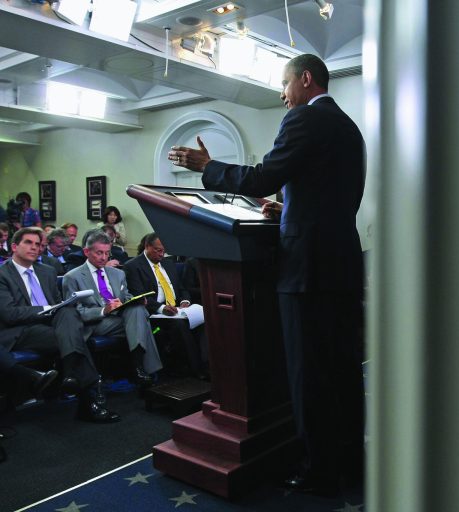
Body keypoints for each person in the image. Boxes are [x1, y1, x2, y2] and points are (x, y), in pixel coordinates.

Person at [169, 54, 365, 496]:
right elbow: (327, 196)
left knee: (309, 372)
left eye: (284, 83)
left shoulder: (303, 120)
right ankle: (351, 460)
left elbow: (261, 178)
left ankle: (320, 471)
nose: (281, 94)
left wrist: (207, 167)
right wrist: (289, 209)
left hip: (306, 270)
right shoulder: (348, 128)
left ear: (306, 79)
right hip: (340, 262)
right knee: (342, 369)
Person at [0, 227, 119, 422]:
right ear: (14, 246)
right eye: (28, 243)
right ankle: (89, 397)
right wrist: (45, 309)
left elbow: (58, 304)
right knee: (74, 337)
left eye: (37, 244)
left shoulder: (47, 271)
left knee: (69, 312)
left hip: (51, 323)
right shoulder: (3, 274)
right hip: (20, 330)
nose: (34, 247)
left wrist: (56, 307)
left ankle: (72, 375)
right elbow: (9, 314)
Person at [62, 231, 162, 388]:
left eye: (107, 253)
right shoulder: (73, 277)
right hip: (96, 323)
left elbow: (126, 296)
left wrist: (134, 301)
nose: (103, 258)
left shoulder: (118, 274)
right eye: (99, 253)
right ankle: (142, 368)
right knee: (142, 320)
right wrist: (104, 310)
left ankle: (137, 368)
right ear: (86, 252)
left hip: (121, 317)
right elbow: (76, 313)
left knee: (137, 310)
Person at [124, 233, 208, 379]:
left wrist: (185, 302)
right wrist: (161, 308)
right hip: (155, 313)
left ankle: (208, 366)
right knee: (180, 326)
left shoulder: (168, 264)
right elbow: (139, 296)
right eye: (157, 250)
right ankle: (195, 372)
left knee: (206, 321)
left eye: (164, 250)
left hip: (178, 308)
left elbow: (182, 289)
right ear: (147, 247)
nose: (162, 254)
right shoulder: (133, 266)